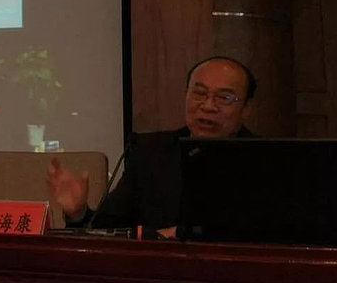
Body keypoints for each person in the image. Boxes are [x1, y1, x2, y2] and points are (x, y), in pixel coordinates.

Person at [46, 56, 257, 237]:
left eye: (224, 97)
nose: (208, 106)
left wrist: (184, 234)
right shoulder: (150, 152)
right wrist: (79, 213)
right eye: (199, 93)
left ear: (247, 108)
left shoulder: (265, 161)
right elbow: (108, 231)